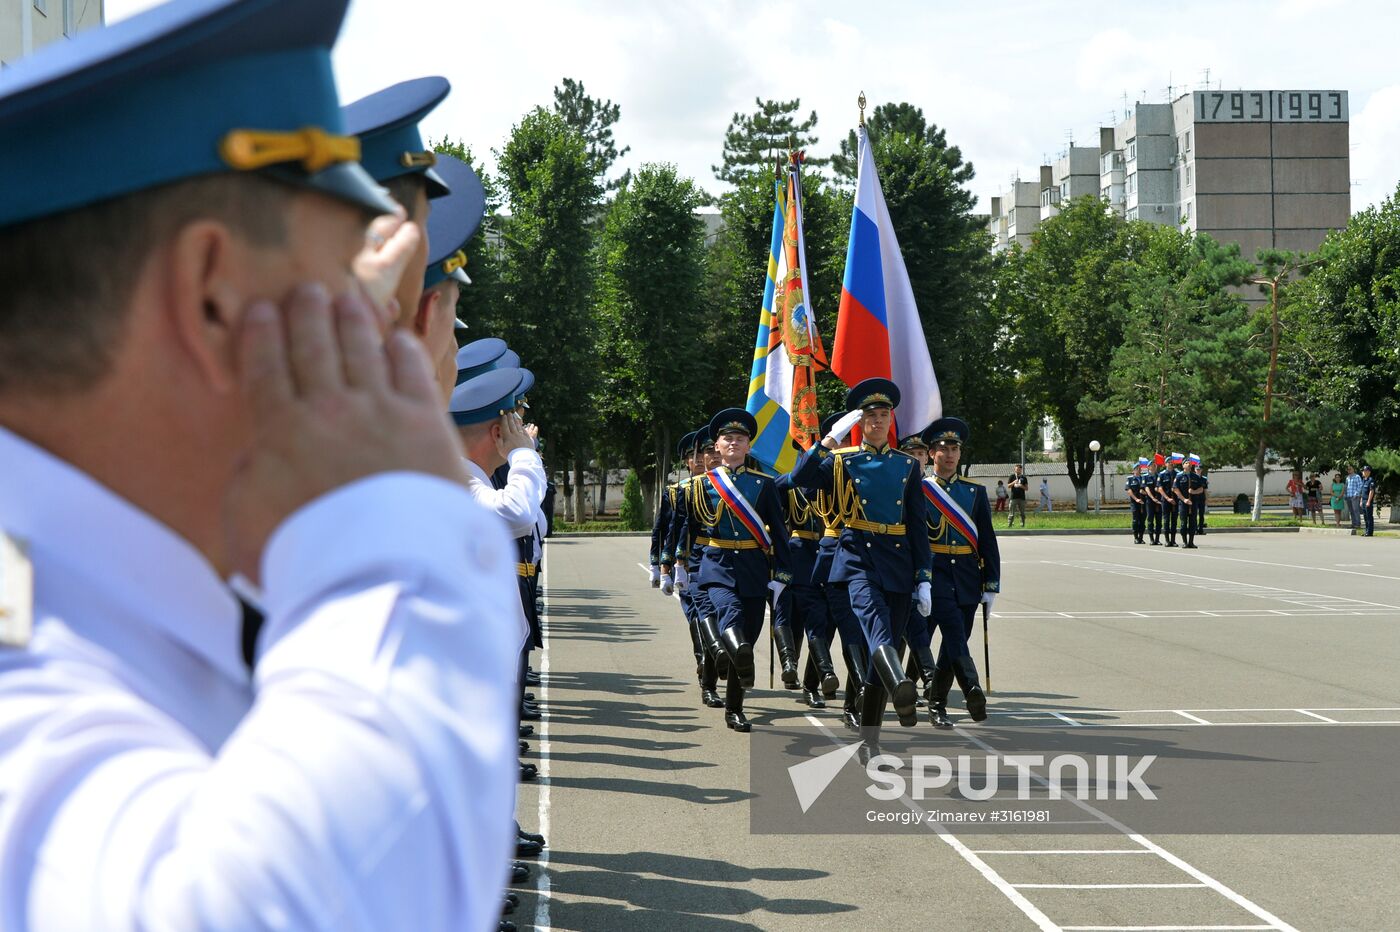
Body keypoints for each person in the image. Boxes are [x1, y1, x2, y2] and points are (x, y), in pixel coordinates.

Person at [0, 0, 521, 927]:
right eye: (339, 300)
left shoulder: (119, 591)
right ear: (214, 299)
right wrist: (391, 522)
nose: (379, 342)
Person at [792, 379, 932, 749]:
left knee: (879, 657)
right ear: (860, 422)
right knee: (875, 626)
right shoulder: (842, 459)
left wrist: (924, 576)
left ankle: (871, 740)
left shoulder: (907, 465)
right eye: (871, 416)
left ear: (891, 420)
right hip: (858, 554)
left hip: (900, 559)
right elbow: (797, 480)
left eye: (884, 415)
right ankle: (900, 682)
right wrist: (826, 442)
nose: (878, 421)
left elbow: (917, 525)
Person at [678, 409, 793, 732]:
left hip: (754, 567)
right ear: (717, 445)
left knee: (751, 632)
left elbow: (780, 533)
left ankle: (734, 707)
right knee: (730, 615)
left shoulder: (763, 485)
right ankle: (735, 671)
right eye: (728, 438)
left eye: (740, 439)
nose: (733, 443)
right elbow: (686, 527)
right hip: (716, 565)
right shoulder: (701, 486)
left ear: (748, 446)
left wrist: (782, 573)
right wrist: (678, 563)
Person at [914, 418, 999, 728]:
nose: (948, 455)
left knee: (954, 642)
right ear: (931, 453)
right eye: (942, 449)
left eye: (954, 449)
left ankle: (936, 703)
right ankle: (970, 688)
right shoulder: (919, 490)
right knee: (946, 634)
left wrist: (991, 583)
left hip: (965, 575)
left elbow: (987, 540)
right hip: (933, 573)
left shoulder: (974, 493)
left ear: (960, 454)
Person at [663, 427, 727, 709]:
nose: (705, 459)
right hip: (690, 563)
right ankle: (704, 660)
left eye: (712, 452)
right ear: (689, 460)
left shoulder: (726, 488)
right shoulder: (680, 492)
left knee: (711, 618)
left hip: (717, 563)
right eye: (699, 455)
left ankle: (710, 659)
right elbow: (667, 530)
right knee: (696, 617)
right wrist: (665, 565)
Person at [1178, 454, 1205, 549]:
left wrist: (1193, 492)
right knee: (1183, 523)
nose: (1188, 464)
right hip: (1183, 504)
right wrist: (1184, 499)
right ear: (1183, 465)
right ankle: (1185, 542)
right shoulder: (1179, 476)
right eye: (1186, 463)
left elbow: (1201, 489)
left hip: (1193, 503)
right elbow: (1175, 490)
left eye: (1189, 463)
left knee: (1193, 523)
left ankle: (1191, 542)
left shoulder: (1196, 477)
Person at [1159, 454, 1182, 546]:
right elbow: (1160, 488)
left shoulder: (1177, 474)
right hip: (1166, 501)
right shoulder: (1162, 474)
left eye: (1171, 462)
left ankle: (1173, 540)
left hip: (1176, 500)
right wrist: (1168, 498)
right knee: (1166, 520)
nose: (1170, 464)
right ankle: (1167, 540)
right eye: (1168, 462)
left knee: (1174, 521)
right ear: (1165, 464)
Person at [1125, 457, 1147, 544]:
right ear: (1133, 470)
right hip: (1135, 503)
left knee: (1142, 520)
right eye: (1137, 469)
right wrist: (1136, 499)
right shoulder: (1130, 479)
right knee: (1135, 520)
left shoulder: (1144, 478)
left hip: (1143, 503)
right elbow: (1129, 490)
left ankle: (1141, 538)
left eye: (1140, 469)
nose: (1138, 470)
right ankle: (1136, 537)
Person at [1142, 455, 1163, 545]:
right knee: (1150, 520)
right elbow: (1146, 489)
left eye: (1154, 465)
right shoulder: (1145, 477)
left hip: (1159, 501)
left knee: (1158, 521)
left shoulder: (1159, 476)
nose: (1153, 467)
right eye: (1151, 465)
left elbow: (1161, 487)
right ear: (1148, 467)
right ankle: (1151, 539)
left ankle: (1157, 539)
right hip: (1150, 502)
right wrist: (1153, 498)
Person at [1359, 464, 1378, 537]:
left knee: (1369, 517)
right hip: (1363, 500)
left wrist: (1369, 501)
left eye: (1364, 471)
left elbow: (1371, 491)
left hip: (1367, 501)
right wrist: (1361, 501)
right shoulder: (1364, 480)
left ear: (1368, 472)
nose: (1363, 472)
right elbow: (1362, 491)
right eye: (1363, 471)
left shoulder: (1371, 480)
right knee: (1365, 517)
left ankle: (1370, 532)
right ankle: (1366, 531)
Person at [1345, 465, 1363, 533]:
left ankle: (1358, 524)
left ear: (1353, 469)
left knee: (1356, 510)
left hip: (1355, 496)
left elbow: (1360, 485)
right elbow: (1346, 486)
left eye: (1350, 469)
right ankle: (1353, 524)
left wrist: (1356, 493)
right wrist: (1345, 494)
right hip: (1349, 496)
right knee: (1351, 511)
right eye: (1348, 469)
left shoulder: (1357, 476)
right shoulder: (1347, 477)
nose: (1349, 470)